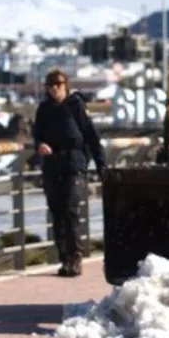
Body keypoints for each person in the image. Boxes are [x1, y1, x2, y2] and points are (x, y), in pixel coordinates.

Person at [33, 69, 106, 277]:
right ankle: (64, 258)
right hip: (52, 165)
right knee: (57, 212)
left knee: (71, 210)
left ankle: (76, 257)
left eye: (59, 85)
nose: (55, 89)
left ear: (66, 86)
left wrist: (101, 166)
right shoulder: (44, 109)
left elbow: (92, 137)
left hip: (74, 164)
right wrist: (40, 146)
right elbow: (37, 136)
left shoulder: (76, 106)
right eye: (51, 86)